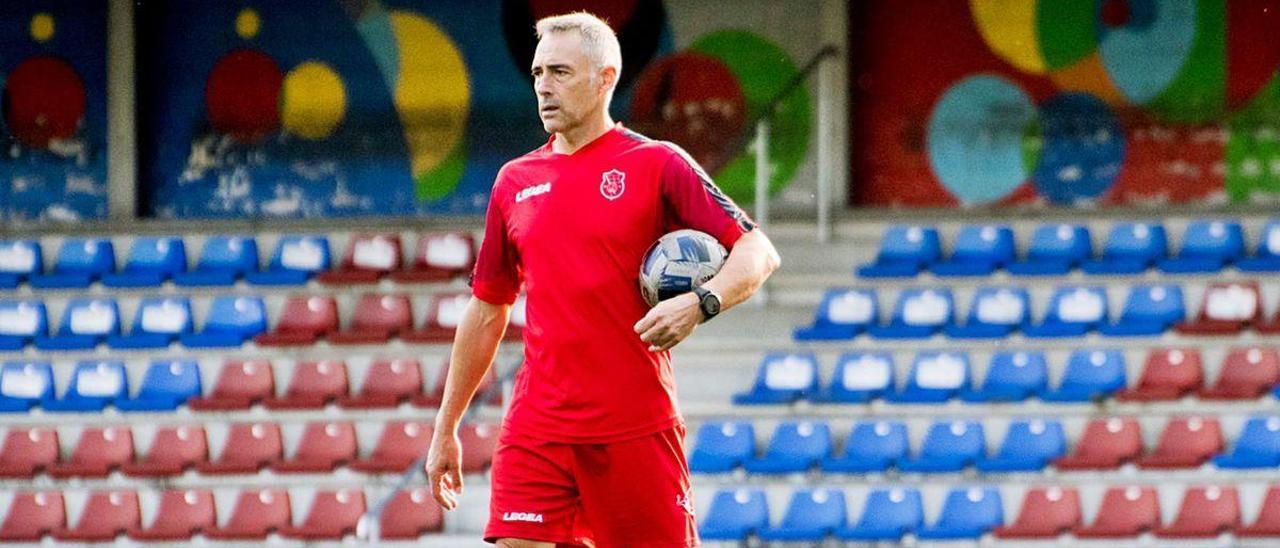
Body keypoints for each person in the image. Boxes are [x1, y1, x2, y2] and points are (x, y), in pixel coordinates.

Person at [425, 11, 780, 548]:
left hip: (635, 427)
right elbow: (487, 308)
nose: (544, 86)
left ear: (605, 78)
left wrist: (702, 302)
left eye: (561, 72)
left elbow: (757, 250)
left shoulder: (659, 164)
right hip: (538, 426)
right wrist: (446, 425)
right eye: (539, 72)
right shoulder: (514, 181)